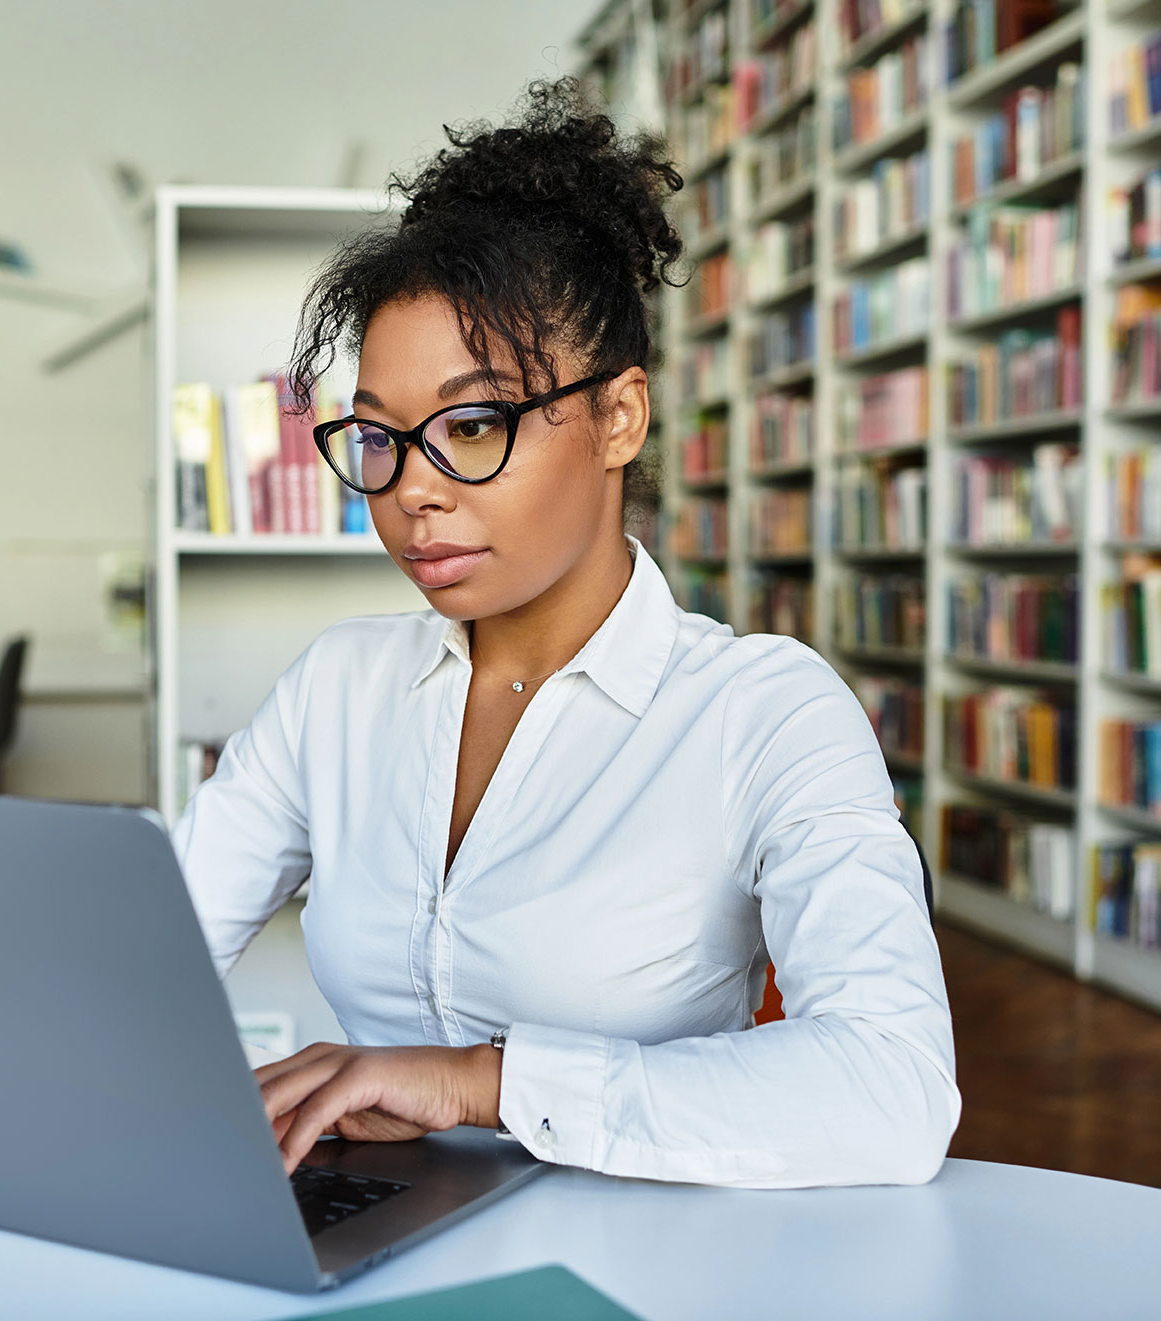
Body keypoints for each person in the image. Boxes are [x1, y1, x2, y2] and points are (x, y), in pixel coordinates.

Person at [172, 78, 958, 1189]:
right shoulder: (337, 689)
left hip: (650, 1258)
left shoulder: (762, 710)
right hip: (376, 1238)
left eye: (475, 423)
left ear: (617, 416)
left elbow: (894, 1088)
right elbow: (142, 968)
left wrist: (478, 1081)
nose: (411, 493)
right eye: (380, 438)